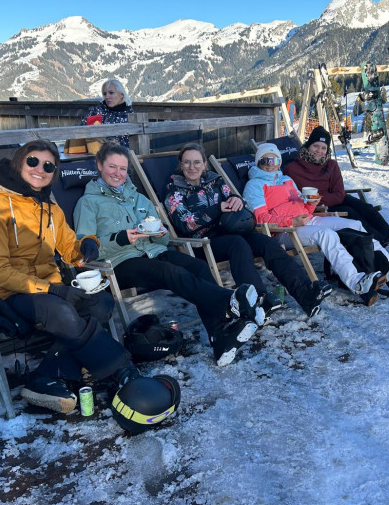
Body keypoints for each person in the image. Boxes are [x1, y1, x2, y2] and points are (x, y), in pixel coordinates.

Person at [0, 140, 178, 422]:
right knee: (61, 310)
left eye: (49, 166)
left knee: (101, 302)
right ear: (19, 162)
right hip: (8, 291)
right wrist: (53, 289)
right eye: (33, 161)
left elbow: (70, 250)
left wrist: (88, 245)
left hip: (50, 287)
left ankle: (45, 376)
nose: (40, 169)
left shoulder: (50, 208)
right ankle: (122, 371)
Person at [73, 142, 262, 367]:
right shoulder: (88, 203)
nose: (118, 173)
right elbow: (86, 248)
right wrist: (120, 239)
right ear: (99, 165)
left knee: (199, 267)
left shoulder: (139, 199)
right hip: (120, 262)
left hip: (153, 252)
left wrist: (161, 233)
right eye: (112, 167)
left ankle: (219, 336)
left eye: (122, 168)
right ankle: (230, 302)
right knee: (169, 272)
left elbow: (161, 239)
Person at [163, 142, 333, 319]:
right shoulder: (173, 190)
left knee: (266, 243)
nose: (192, 167)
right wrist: (217, 208)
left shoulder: (215, 180)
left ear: (204, 164)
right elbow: (185, 224)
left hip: (231, 229)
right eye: (187, 162)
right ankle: (258, 300)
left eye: (197, 162)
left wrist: (236, 199)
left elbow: (231, 196)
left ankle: (305, 293)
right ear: (181, 164)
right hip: (203, 241)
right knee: (237, 244)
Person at [244, 145, 389, 304]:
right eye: (266, 160)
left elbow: (303, 207)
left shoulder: (286, 180)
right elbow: (261, 219)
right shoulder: (254, 185)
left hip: (307, 220)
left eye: (275, 160)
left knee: (355, 224)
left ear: (279, 162)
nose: (271, 165)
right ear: (259, 162)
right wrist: (291, 222)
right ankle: (355, 281)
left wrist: (311, 204)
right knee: (327, 235)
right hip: (284, 231)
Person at [282, 128, 389, 257]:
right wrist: (321, 199)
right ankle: (383, 243)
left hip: (336, 199)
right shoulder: (292, 169)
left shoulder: (331, 165)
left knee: (366, 208)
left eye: (323, 148)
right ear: (308, 145)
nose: (319, 151)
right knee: (351, 213)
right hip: (317, 207)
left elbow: (339, 193)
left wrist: (324, 197)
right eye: (315, 146)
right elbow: (296, 196)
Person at [81, 79, 135, 148]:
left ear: (121, 95)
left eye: (111, 93)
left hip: (123, 152)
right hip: (98, 152)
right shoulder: (97, 111)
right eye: (105, 94)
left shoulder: (130, 114)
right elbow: (82, 129)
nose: (107, 97)